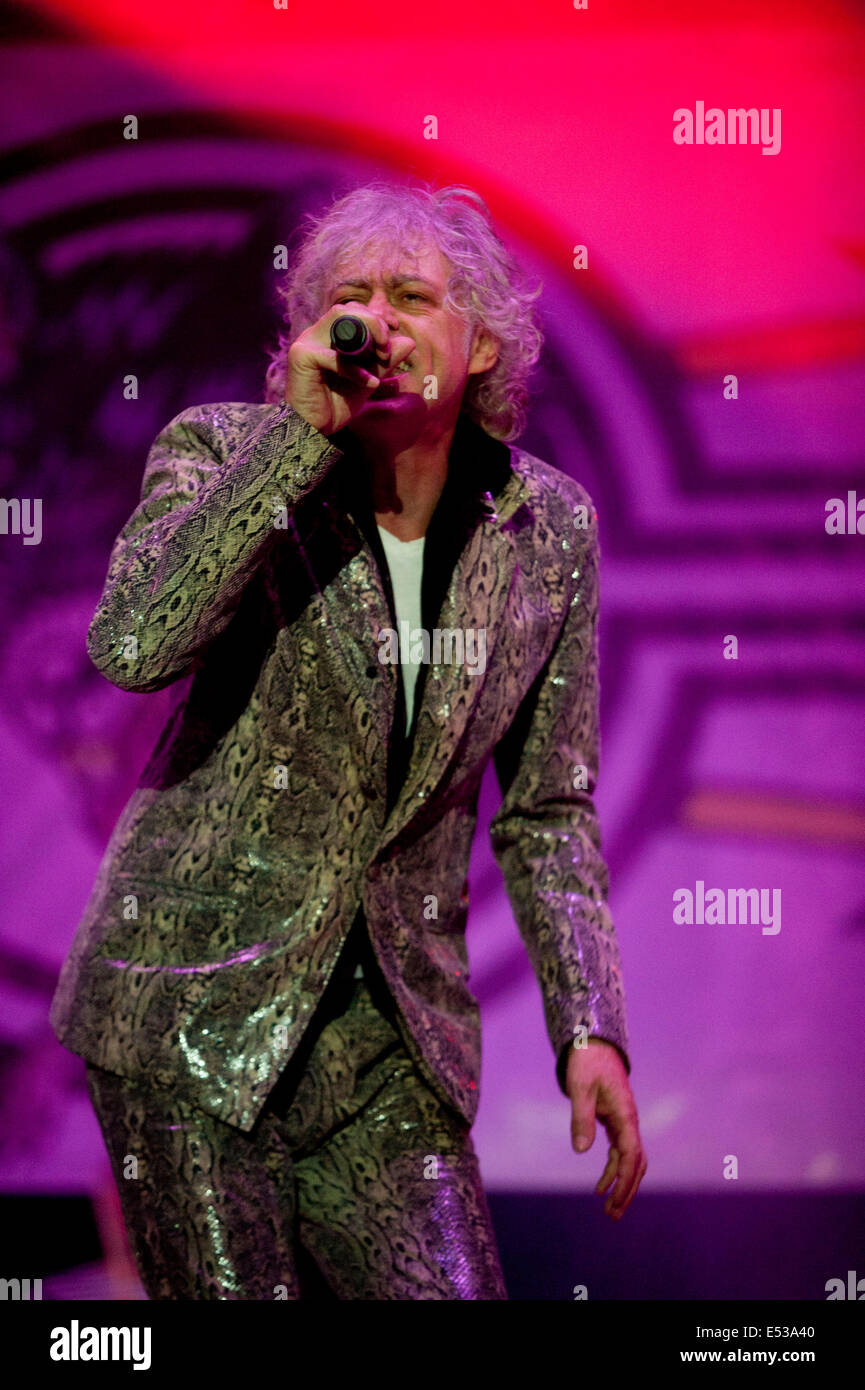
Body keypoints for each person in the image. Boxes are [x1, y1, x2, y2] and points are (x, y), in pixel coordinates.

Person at [50, 179, 646, 1300]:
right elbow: (132, 642)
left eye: (411, 296)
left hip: (387, 1051)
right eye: (346, 299)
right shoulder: (223, 452)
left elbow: (548, 808)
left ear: (479, 346)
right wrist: (292, 445)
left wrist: (591, 1027)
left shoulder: (546, 527)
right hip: (188, 1017)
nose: (373, 321)